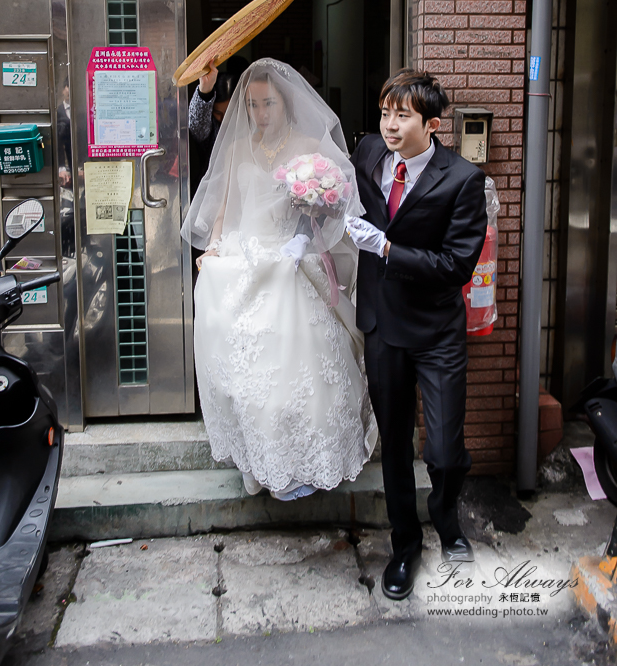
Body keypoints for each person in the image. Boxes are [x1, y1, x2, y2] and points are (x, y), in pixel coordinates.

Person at [181, 58, 377, 501]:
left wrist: (308, 232)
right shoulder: (235, 147)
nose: (259, 113)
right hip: (246, 253)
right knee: (248, 372)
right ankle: (261, 461)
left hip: (291, 261)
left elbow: (337, 200)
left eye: (267, 103)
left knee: (297, 371)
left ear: (285, 102)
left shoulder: (309, 145)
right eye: (252, 105)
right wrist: (212, 246)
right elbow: (225, 201)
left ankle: (304, 462)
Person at [346, 69, 487, 600]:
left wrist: (384, 247)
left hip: (435, 331)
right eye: (385, 112)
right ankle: (405, 545)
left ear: (431, 123)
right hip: (383, 325)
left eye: (401, 115)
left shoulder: (462, 179)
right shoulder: (366, 153)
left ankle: (447, 523)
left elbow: (454, 266)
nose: (389, 125)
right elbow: (333, 190)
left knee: (446, 450)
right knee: (396, 445)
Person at [188, 59, 243, 180]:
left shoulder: (251, 123)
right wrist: (204, 92)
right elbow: (196, 125)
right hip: (211, 188)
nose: (224, 119)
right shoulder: (209, 126)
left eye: (230, 112)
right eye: (218, 112)